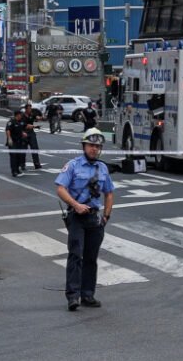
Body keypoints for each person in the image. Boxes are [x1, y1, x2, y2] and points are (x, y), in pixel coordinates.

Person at [54, 128, 115, 311]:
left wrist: (106, 216)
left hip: (94, 219)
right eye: (91, 145)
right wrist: (76, 205)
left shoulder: (102, 168)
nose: (94, 149)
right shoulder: (73, 165)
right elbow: (60, 188)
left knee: (91, 258)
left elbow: (109, 193)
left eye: (97, 146)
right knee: (76, 255)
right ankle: (73, 296)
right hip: (77, 217)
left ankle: (88, 295)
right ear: (84, 146)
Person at [5, 109, 28, 178]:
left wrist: (23, 133)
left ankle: (17, 169)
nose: (21, 116)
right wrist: (9, 138)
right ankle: (14, 171)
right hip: (13, 142)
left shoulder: (20, 122)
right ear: (17, 115)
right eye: (20, 115)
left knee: (19, 156)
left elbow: (21, 128)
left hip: (19, 141)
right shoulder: (11, 122)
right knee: (13, 156)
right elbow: (8, 130)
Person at [22, 103, 44, 171]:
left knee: (34, 148)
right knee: (23, 149)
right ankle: (22, 164)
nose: (30, 110)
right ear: (26, 109)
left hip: (31, 133)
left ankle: (37, 164)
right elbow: (27, 126)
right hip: (24, 133)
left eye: (30, 108)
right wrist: (35, 126)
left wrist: (42, 117)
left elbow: (37, 118)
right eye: (28, 109)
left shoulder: (32, 114)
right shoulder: (22, 116)